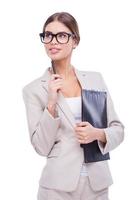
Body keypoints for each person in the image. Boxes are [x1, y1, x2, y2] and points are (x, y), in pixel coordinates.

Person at [22, 12, 124, 200]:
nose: (53, 41)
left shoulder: (95, 79)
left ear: (75, 41)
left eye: (61, 35)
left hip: (97, 185)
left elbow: (118, 130)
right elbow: (40, 148)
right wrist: (51, 103)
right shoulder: (34, 89)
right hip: (57, 187)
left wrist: (98, 134)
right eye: (48, 35)